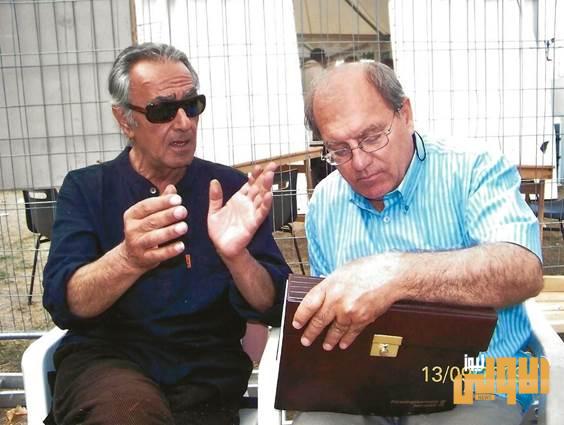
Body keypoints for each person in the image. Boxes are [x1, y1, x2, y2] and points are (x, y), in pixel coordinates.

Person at [42, 42, 291, 425]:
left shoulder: (227, 189)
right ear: (125, 120)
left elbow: (275, 305)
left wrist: (237, 257)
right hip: (108, 365)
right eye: (163, 110)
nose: (184, 123)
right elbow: (65, 303)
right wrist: (127, 259)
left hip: (204, 376)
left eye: (192, 105)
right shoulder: (88, 189)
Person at [291, 62, 543, 425]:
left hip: (479, 383)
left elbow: (523, 270)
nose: (359, 162)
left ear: (405, 114)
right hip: (365, 391)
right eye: (339, 150)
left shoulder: (474, 168)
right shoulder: (325, 203)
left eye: (372, 137)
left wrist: (395, 274)